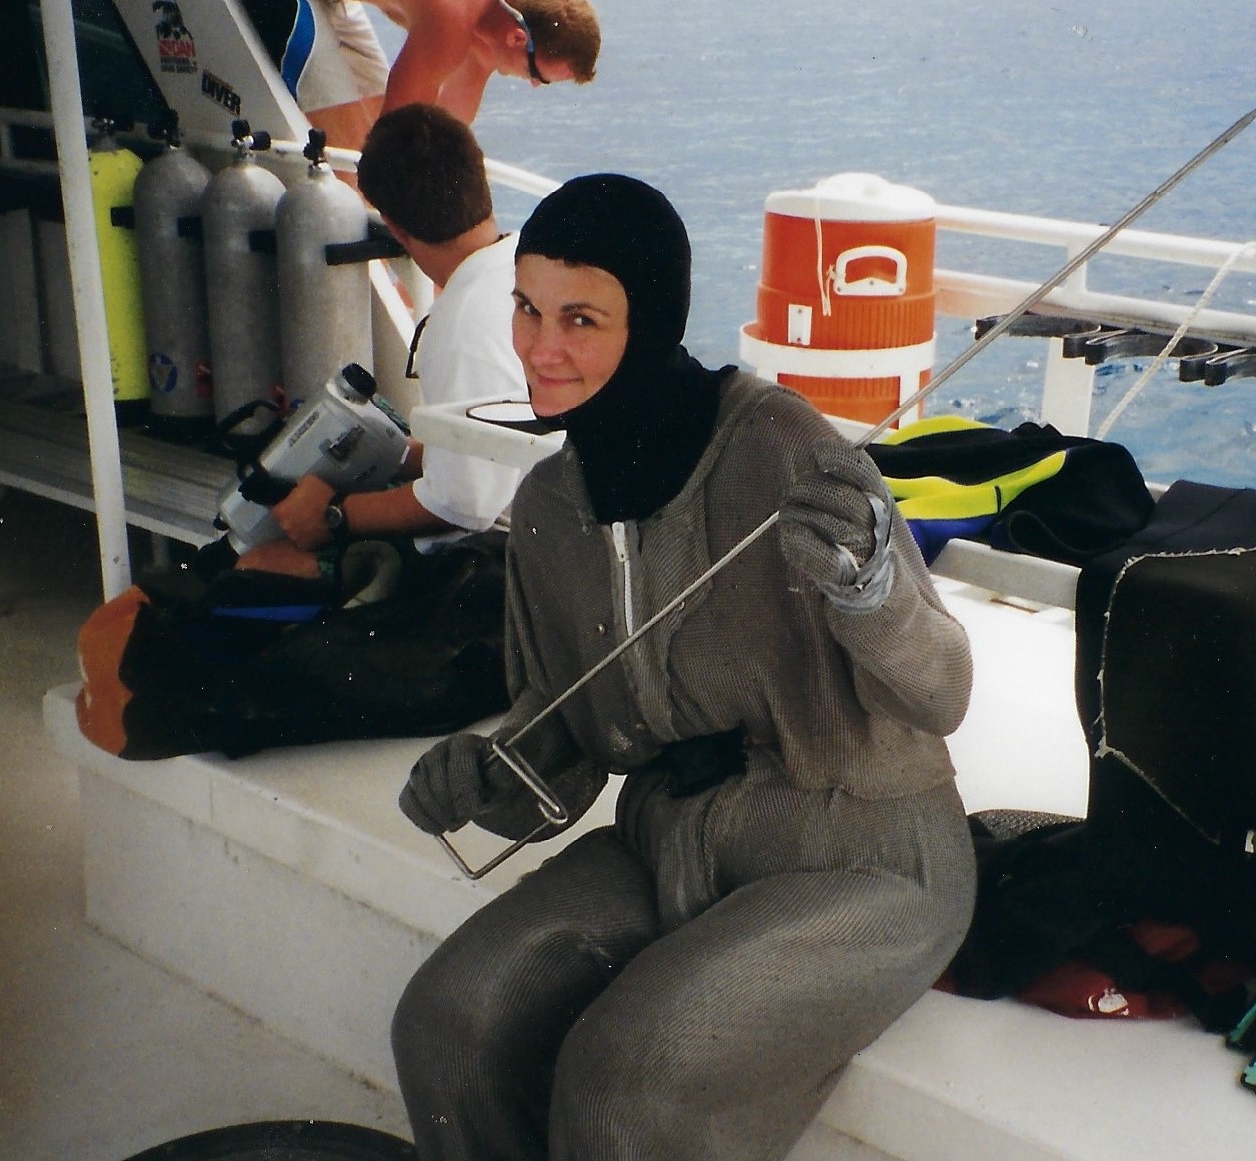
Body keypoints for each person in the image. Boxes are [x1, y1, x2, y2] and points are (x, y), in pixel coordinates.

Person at [390, 173, 978, 1160]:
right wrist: (483, 777)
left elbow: (943, 691)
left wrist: (873, 594)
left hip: (863, 856)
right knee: (447, 1022)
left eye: (582, 319)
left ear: (652, 323)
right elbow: (570, 751)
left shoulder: (783, 444)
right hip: (666, 842)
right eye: (528, 310)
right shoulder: (547, 505)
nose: (541, 348)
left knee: (629, 1079)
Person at [236, 104, 525, 579]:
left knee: (258, 564)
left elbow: (463, 505)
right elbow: (488, 447)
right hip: (540, 521)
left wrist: (333, 515)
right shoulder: (516, 265)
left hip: (495, 559)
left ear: (394, 228)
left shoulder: (461, 328)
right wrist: (390, 454)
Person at [242, 0, 599, 151]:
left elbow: (448, 130)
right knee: (351, 169)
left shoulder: (494, 29)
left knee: (370, 152)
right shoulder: (453, 22)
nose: (534, 85)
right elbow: (395, 145)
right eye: (539, 75)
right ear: (518, 38)